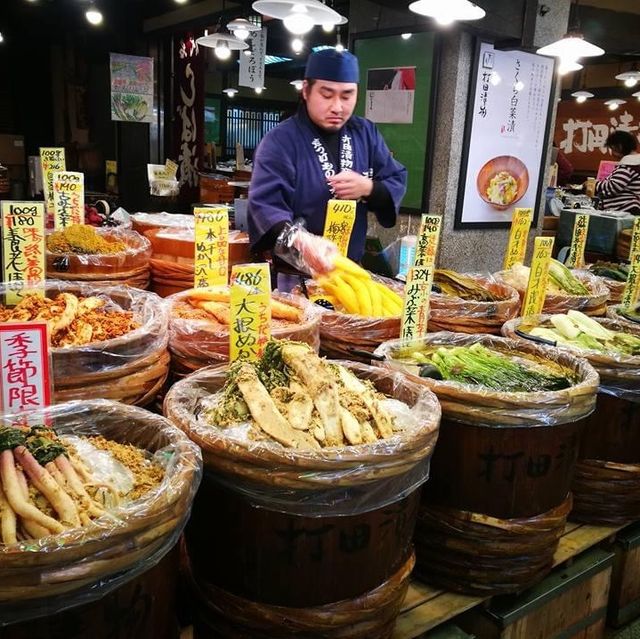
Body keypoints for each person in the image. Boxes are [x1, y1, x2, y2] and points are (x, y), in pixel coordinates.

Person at [248, 48, 407, 270]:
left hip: (350, 271)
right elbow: (264, 204)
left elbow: (395, 176)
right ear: (306, 91)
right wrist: (302, 241)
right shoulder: (280, 141)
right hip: (294, 276)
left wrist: (369, 188)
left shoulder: (365, 133)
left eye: (347, 95)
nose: (337, 107)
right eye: (326, 94)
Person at [595, 130, 640, 214]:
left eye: (612, 149)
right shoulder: (633, 165)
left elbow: (612, 187)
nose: (612, 154)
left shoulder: (628, 166)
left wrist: (593, 184)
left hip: (624, 210)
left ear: (619, 147)